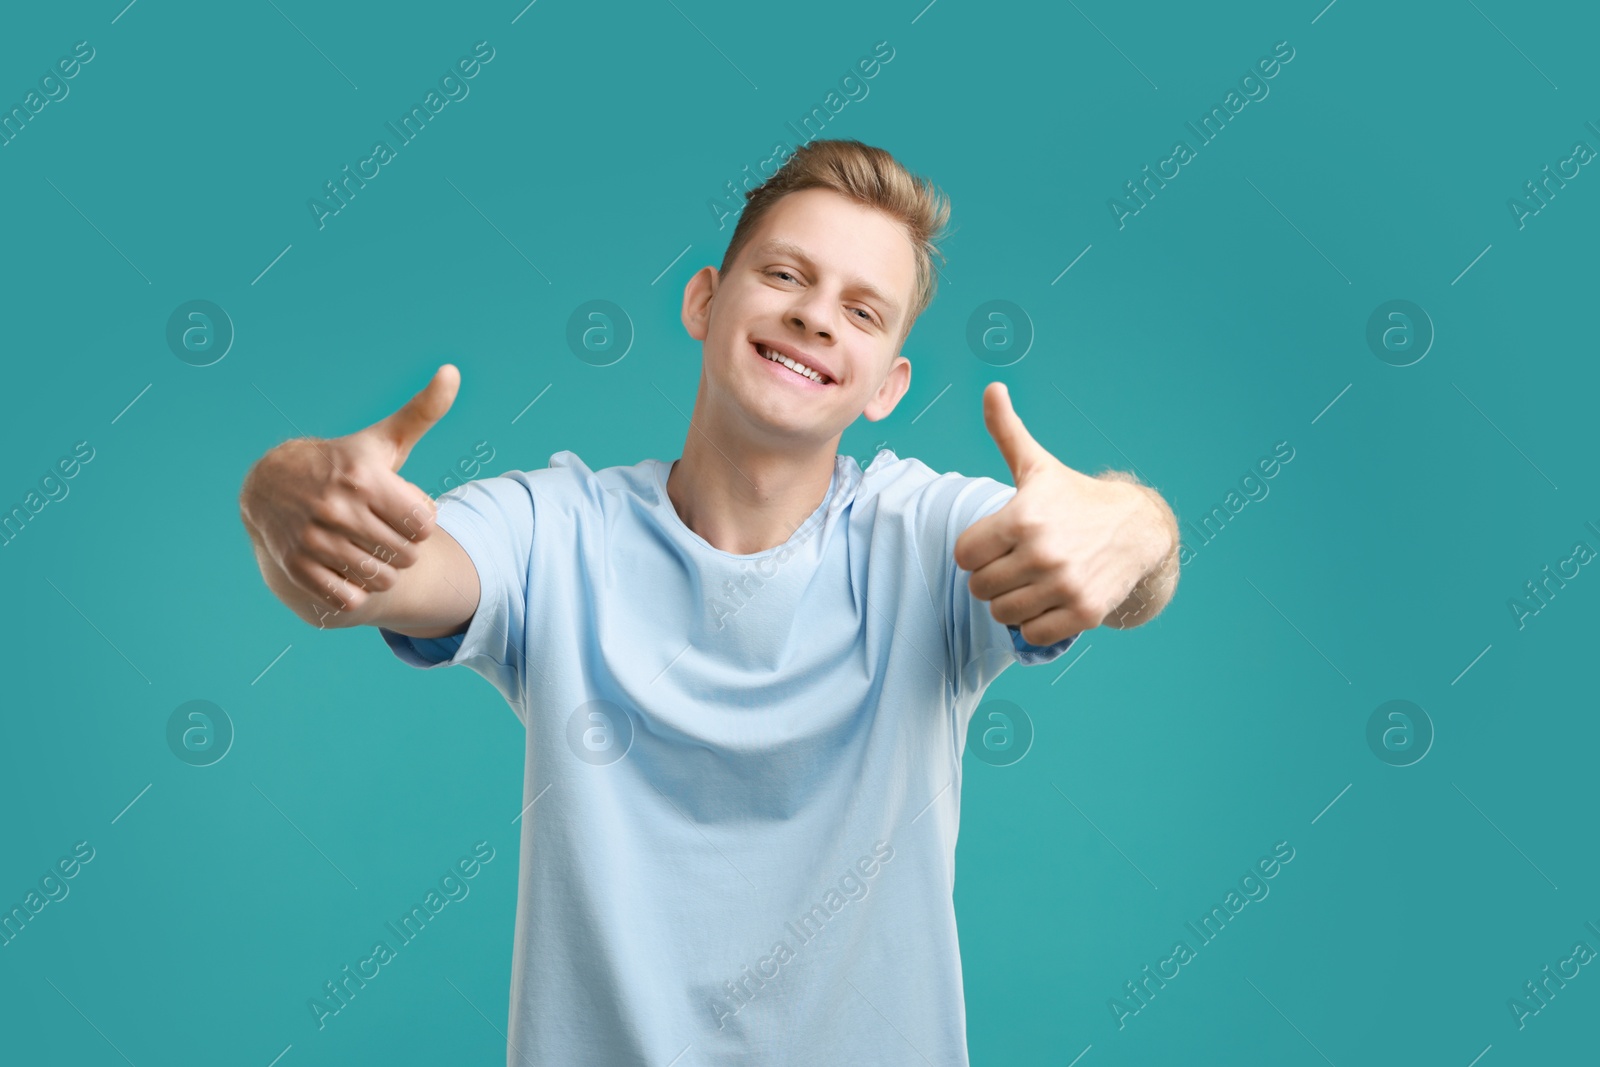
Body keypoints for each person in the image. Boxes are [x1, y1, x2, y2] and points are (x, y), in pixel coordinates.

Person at [238, 138, 1179, 1065]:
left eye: (862, 309)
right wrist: (281, 495)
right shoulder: (553, 528)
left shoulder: (928, 537)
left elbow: (1125, 571)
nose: (815, 317)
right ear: (704, 299)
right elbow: (374, 573)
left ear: (888, 384)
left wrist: (1131, 528)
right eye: (784, 274)